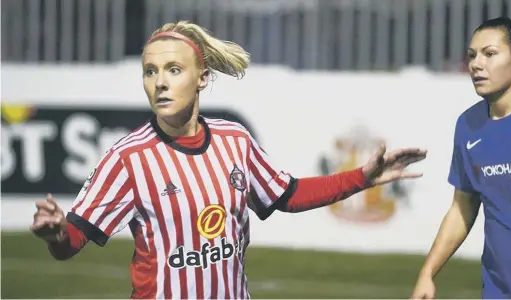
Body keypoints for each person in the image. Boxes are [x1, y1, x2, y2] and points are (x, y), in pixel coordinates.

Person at [30, 21, 427, 299]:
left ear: (202, 77)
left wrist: (364, 176)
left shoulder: (234, 140)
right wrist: (57, 233)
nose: (160, 82)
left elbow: (287, 194)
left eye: (173, 69)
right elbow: (71, 242)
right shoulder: (128, 158)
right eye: (150, 71)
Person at [411, 17, 511, 299]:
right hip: (498, 290)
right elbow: (462, 208)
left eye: (489, 53)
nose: (476, 63)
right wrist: (427, 273)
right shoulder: (468, 126)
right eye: (472, 55)